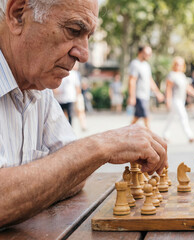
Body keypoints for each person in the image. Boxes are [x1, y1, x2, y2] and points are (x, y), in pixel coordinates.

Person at [0, 0, 167, 228]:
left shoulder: (38, 87)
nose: (84, 54)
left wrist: (34, 185)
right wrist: (101, 146)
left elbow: (74, 173)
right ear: (18, 14)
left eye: (88, 36)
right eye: (73, 31)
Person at [163, 57, 194, 143]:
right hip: (175, 100)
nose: (178, 66)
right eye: (177, 64)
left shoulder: (182, 76)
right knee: (183, 116)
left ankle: (165, 134)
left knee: (171, 118)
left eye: (180, 64)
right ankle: (190, 136)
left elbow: (187, 88)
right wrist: (167, 100)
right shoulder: (171, 75)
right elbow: (168, 89)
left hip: (181, 99)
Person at [127, 46, 164, 128]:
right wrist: (132, 96)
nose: (149, 56)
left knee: (136, 118)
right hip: (139, 95)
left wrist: (157, 93)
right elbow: (132, 81)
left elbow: (150, 80)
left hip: (146, 95)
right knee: (146, 117)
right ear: (140, 53)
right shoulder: (135, 64)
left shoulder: (146, 65)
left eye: (150, 54)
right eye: (147, 53)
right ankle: (150, 137)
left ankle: (126, 133)